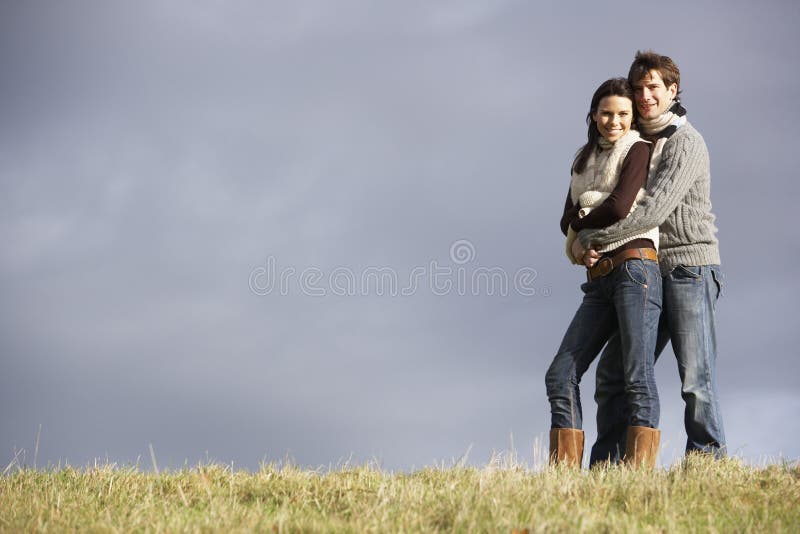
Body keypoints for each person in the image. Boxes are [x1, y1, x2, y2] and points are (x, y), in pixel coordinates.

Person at [574, 51, 726, 466]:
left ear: (672, 91)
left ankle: (707, 461)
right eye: (638, 88)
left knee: (695, 377)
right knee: (612, 374)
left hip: (689, 267)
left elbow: (652, 212)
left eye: (653, 87)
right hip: (646, 271)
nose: (644, 96)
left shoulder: (685, 142)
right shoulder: (636, 141)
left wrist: (595, 237)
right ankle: (609, 465)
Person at [545, 77, 662, 469]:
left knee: (635, 374)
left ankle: (637, 475)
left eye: (623, 114)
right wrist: (580, 230)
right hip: (598, 279)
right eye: (607, 113)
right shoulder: (582, 158)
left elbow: (618, 206)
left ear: (633, 118)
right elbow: (565, 220)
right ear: (594, 115)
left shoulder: (638, 149)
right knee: (561, 374)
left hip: (635, 269)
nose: (614, 121)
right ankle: (564, 476)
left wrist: (584, 215)